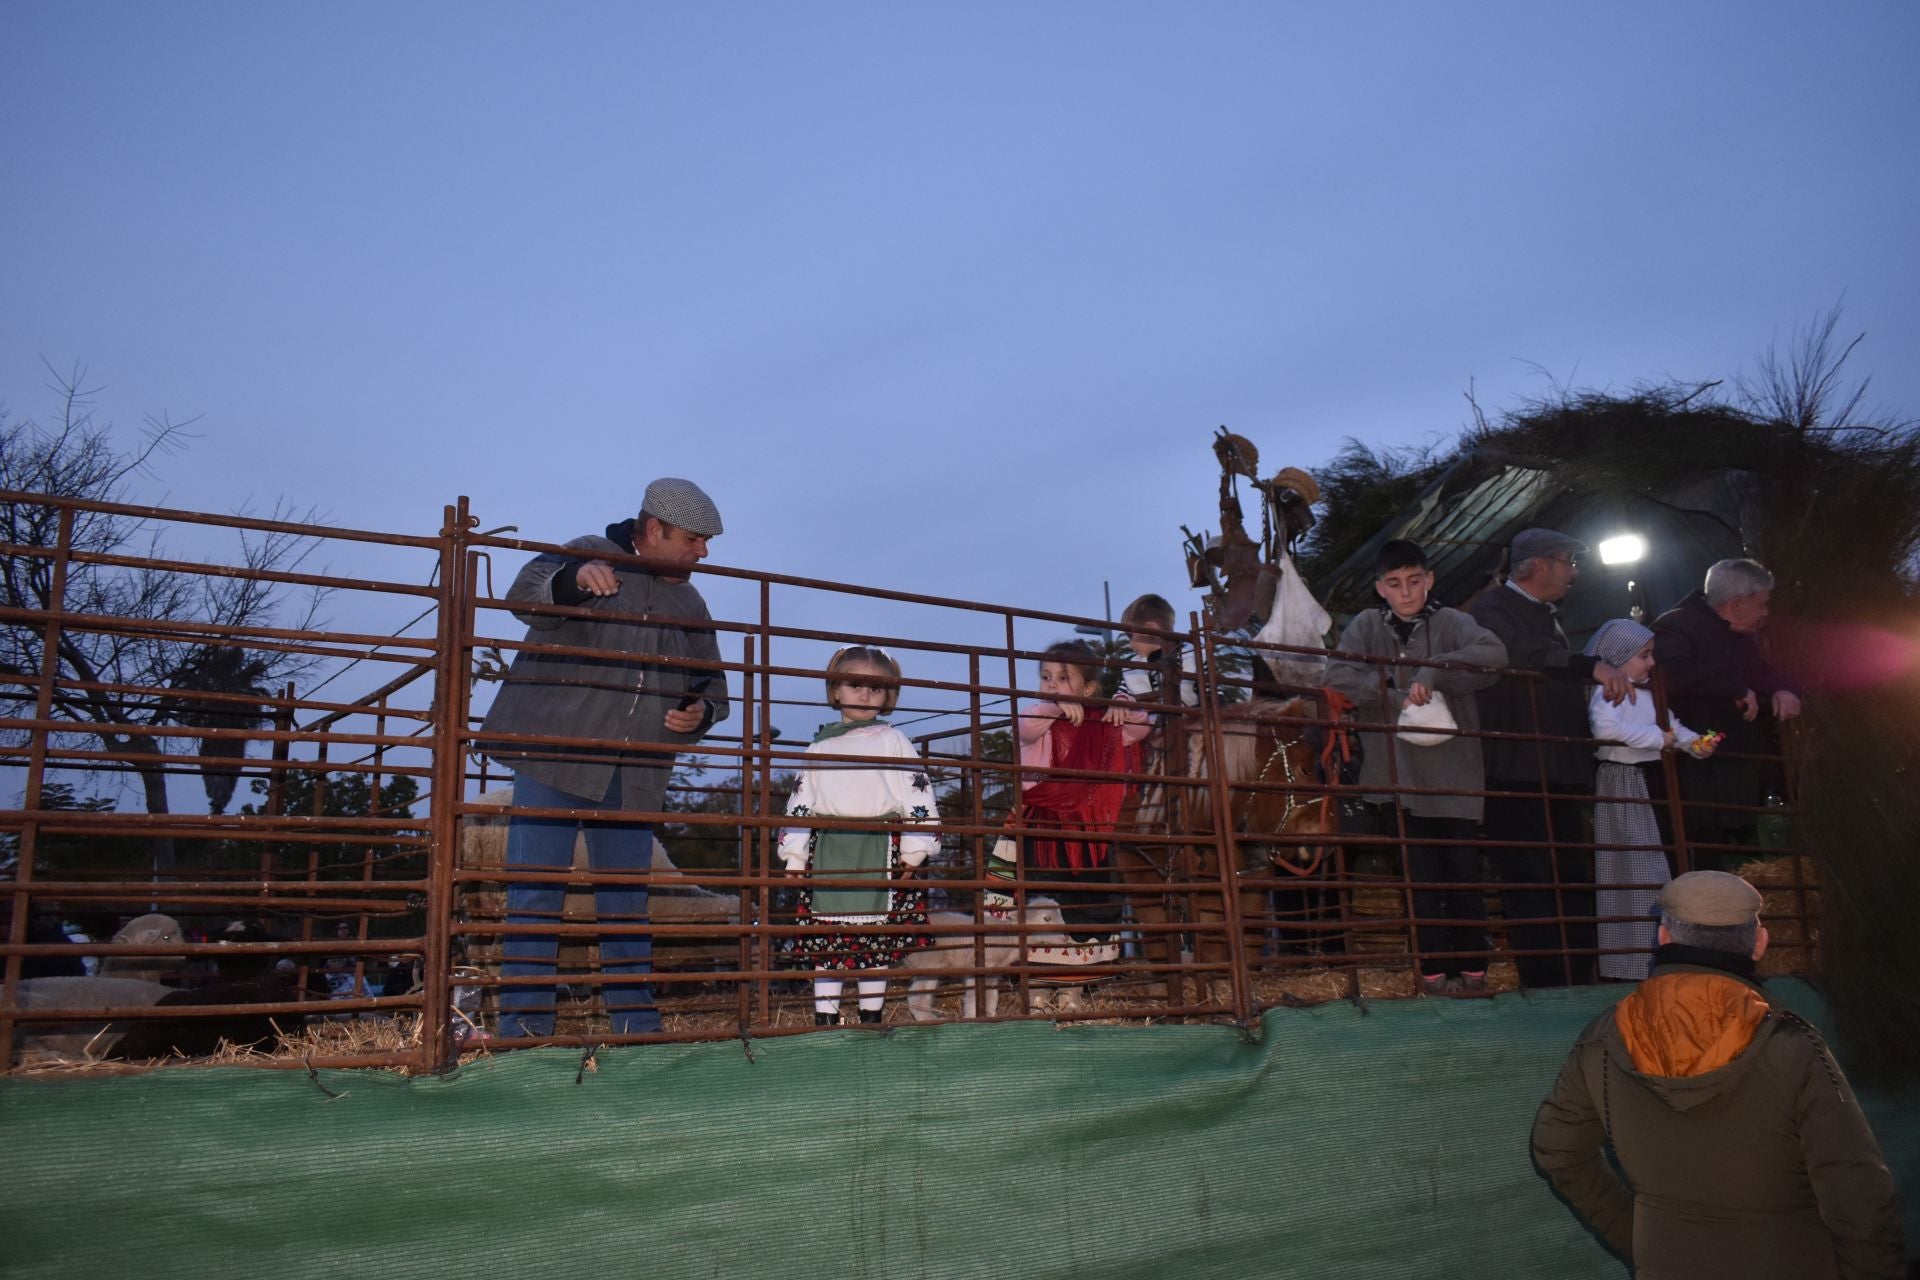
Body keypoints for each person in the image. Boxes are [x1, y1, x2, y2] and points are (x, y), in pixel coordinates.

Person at [1531, 871, 1902, 1278]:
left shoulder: (1603, 1038)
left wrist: (1638, 1235)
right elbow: (1859, 1194)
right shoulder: (1793, 1045)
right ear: (1760, 944)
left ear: (1663, 938)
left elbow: (1558, 1149)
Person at [480, 478, 731, 1039]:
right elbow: (524, 594)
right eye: (694, 539)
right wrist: (572, 580)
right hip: (556, 757)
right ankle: (524, 1035)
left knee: (625, 903)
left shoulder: (689, 600)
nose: (704, 552)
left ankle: (636, 1030)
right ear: (654, 529)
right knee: (535, 894)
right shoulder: (590, 549)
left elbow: (712, 685)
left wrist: (700, 711)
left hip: (634, 771)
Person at [1326, 540, 1507, 996]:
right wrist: (1389, 685)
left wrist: (1435, 671)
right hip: (1397, 777)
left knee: (1462, 873)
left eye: (1414, 581)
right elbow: (1337, 677)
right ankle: (1432, 973)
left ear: (1429, 580)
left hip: (1453, 775)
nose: (1405, 592)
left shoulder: (1451, 622)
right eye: (1394, 583)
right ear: (1380, 588)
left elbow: (1494, 654)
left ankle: (1473, 971)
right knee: (1419, 878)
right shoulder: (1367, 626)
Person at [1471, 527, 1632, 988]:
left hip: (1557, 769)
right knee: (1530, 877)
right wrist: (1587, 664)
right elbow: (1519, 654)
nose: (1574, 572)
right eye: (1568, 561)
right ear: (1539, 564)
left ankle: (1580, 972)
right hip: (1516, 769)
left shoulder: (1546, 616)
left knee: (1570, 875)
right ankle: (1545, 981)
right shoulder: (1492, 610)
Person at [779, 646, 936, 1026]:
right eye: (855, 685)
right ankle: (826, 1020)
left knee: (874, 945)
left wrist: (916, 849)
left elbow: (917, 792)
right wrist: (795, 856)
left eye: (876, 688)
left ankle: (871, 1018)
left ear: (888, 696)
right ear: (836, 691)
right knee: (828, 943)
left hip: (879, 848)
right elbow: (802, 801)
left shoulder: (894, 741)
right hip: (829, 850)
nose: (865, 695)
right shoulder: (819, 746)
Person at [1585, 619, 1717, 981]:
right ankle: (1631, 961)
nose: (1651, 663)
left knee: (1659, 866)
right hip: (1626, 782)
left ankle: (1665, 952)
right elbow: (1606, 729)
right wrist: (1661, 739)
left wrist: (1694, 743)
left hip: (1651, 781)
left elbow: (1670, 726)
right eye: (1644, 656)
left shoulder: (1648, 691)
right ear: (1620, 657)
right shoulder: (1612, 691)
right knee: (1634, 868)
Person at [1651, 559, 1802, 866]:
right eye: (1762, 605)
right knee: (1704, 858)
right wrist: (1734, 687)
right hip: (1695, 777)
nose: (1765, 613)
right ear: (1736, 605)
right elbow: (1669, 674)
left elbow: (1764, 674)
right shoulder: (1675, 626)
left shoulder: (1742, 638)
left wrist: (1784, 689)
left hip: (1735, 772)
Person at [1008, 640, 1148, 949]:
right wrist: (1054, 707)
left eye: (1063, 678)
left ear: (1088, 689)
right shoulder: (1040, 719)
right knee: (1049, 897)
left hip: (1094, 830)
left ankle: (1091, 974)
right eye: (1046, 677)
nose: (1052, 684)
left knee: (1099, 898)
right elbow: (1026, 726)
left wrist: (1123, 703)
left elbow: (1140, 729)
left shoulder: (1102, 724)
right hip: (1046, 828)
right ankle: (1047, 974)